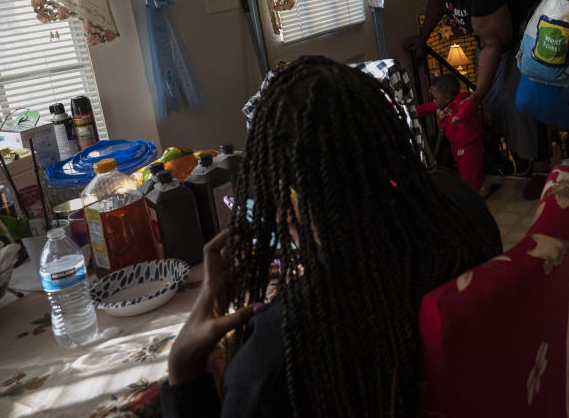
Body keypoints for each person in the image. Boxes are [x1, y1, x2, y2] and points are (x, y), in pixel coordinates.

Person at [161, 56, 502, 418]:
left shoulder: (279, 355)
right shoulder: (459, 202)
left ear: (282, 191)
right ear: (388, 134)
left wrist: (184, 367)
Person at [404, 0, 541, 175]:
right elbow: (436, 1)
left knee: (513, 99)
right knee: (491, 99)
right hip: (493, 39)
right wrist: (423, 36)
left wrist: (476, 95)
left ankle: (538, 165)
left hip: (524, 32)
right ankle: (517, 156)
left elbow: (492, 44)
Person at [417, 74, 489, 196]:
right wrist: (408, 110)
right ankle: (483, 184)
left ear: (447, 97)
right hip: (457, 148)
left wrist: (458, 117)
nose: (433, 101)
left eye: (435, 98)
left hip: (470, 147)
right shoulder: (442, 106)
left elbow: (468, 106)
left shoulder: (462, 101)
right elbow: (424, 108)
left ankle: (470, 199)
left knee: (467, 177)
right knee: (473, 171)